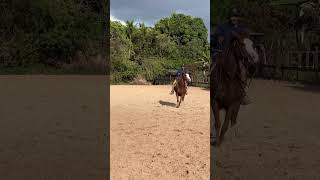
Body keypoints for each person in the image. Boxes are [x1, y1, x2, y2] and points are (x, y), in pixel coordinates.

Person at [212, 8, 252, 105]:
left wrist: (240, 36)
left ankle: (242, 94)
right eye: (233, 16)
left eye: (236, 16)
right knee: (213, 67)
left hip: (236, 56)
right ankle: (213, 90)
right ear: (229, 18)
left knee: (242, 72)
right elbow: (217, 36)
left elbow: (245, 36)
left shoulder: (240, 28)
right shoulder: (222, 26)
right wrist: (220, 38)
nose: (234, 18)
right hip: (221, 53)